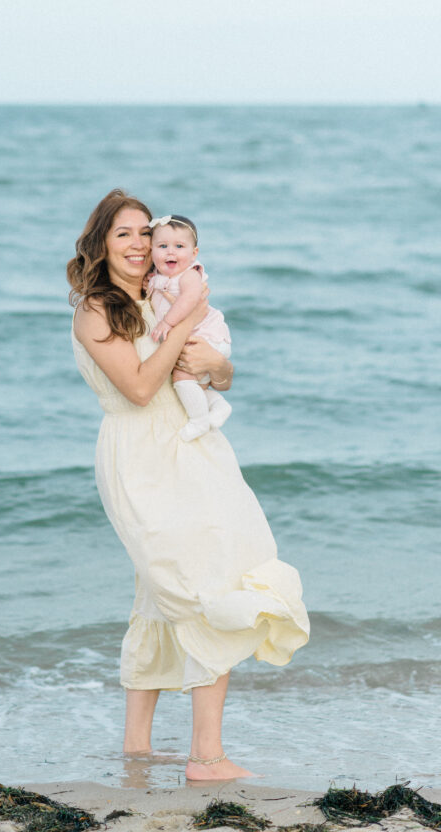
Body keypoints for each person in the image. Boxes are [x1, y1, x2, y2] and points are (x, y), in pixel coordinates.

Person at [67, 189, 309, 781]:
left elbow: (218, 375)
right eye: (122, 234)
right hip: (139, 455)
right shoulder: (97, 309)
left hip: (196, 449)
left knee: (169, 588)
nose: (138, 245)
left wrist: (211, 357)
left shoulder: (163, 294)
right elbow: (142, 388)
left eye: (144, 234)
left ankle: (138, 747)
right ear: (101, 242)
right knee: (196, 586)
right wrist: (187, 324)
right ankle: (206, 757)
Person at [147, 213, 232, 441]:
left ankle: (199, 421)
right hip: (196, 336)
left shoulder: (189, 275)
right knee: (194, 384)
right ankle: (218, 405)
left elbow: (190, 300)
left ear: (194, 253)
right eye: (162, 246)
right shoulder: (159, 276)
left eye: (179, 246)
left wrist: (167, 322)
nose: (170, 252)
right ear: (151, 250)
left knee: (182, 376)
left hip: (206, 336)